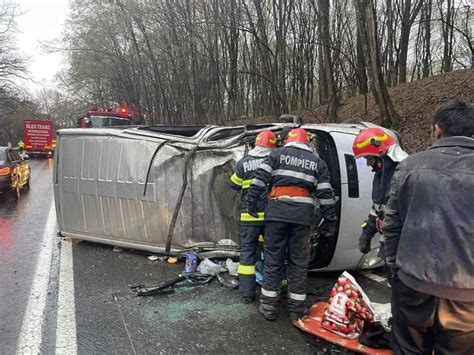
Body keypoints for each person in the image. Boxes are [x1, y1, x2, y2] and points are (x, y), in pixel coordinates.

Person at [383, 99, 474, 354]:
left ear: (437, 129)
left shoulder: (410, 166)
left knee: (408, 348)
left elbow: (391, 226)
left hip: (413, 283)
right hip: (466, 295)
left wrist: (394, 271)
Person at [246, 128, 338, 321]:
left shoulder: (276, 155)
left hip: (277, 214)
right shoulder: (317, 163)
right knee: (298, 262)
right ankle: (295, 308)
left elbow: (259, 180)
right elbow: (325, 195)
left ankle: (268, 306)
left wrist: (251, 203)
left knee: (273, 259)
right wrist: (330, 220)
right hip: (302, 218)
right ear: (307, 142)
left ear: (288, 140)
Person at [352, 127, 408, 278]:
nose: (368, 163)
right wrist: (367, 232)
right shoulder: (381, 175)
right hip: (390, 240)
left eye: (368, 158)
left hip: (403, 242)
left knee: (402, 285)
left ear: (380, 154)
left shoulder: (403, 172)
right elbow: (378, 207)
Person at [229, 130, 277, 303]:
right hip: (271, 218)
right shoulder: (275, 162)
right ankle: (272, 291)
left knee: (247, 255)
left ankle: (247, 294)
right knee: (272, 254)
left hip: (249, 218)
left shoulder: (244, 163)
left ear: (256, 144)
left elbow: (233, 185)